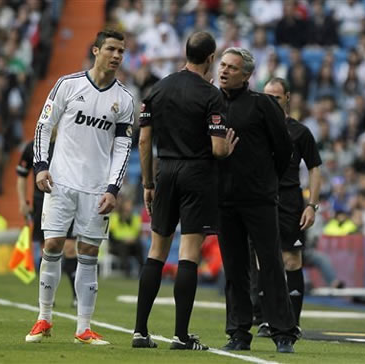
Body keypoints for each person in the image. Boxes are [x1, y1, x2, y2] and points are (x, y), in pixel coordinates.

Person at [25, 29, 134, 345]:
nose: (116, 56)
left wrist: (113, 188)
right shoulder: (67, 85)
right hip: (60, 181)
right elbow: (44, 125)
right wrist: (41, 166)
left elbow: (123, 147)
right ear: (96, 50)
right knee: (53, 247)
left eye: (121, 51)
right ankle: (44, 319)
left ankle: (83, 328)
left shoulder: (124, 99)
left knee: (88, 253)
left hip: (96, 188)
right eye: (111, 49)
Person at [132, 31, 238, 351]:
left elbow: (144, 141)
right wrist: (229, 148)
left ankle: (140, 331)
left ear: (185, 53)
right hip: (197, 173)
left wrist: (148, 183)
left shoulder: (158, 89)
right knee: (189, 252)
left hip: (165, 170)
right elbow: (218, 149)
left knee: (157, 251)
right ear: (210, 58)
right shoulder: (212, 95)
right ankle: (180, 336)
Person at [217, 48, 300, 354]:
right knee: (235, 268)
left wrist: (267, 183)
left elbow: (284, 150)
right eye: (222, 64)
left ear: (247, 75)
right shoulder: (210, 104)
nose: (224, 71)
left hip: (260, 199)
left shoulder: (263, 104)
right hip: (225, 200)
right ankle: (238, 331)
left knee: (271, 264)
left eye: (232, 67)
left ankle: (283, 332)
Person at [253, 77, 322, 337]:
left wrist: (312, 205)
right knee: (263, 260)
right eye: (268, 97)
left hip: (290, 202)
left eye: (277, 98)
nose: (272, 102)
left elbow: (315, 168)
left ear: (287, 98)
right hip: (261, 199)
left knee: (292, 260)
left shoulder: (300, 131)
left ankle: (293, 321)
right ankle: (266, 319)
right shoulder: (256, 128)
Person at [16, 136, 78, 308]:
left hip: (66, 200)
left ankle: (76, 296)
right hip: (41, 203)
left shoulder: (69, 141)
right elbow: (22, 175)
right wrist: (22, 202)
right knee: (48, 248)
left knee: (70, 247)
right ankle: (47, 297)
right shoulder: (33, 145)